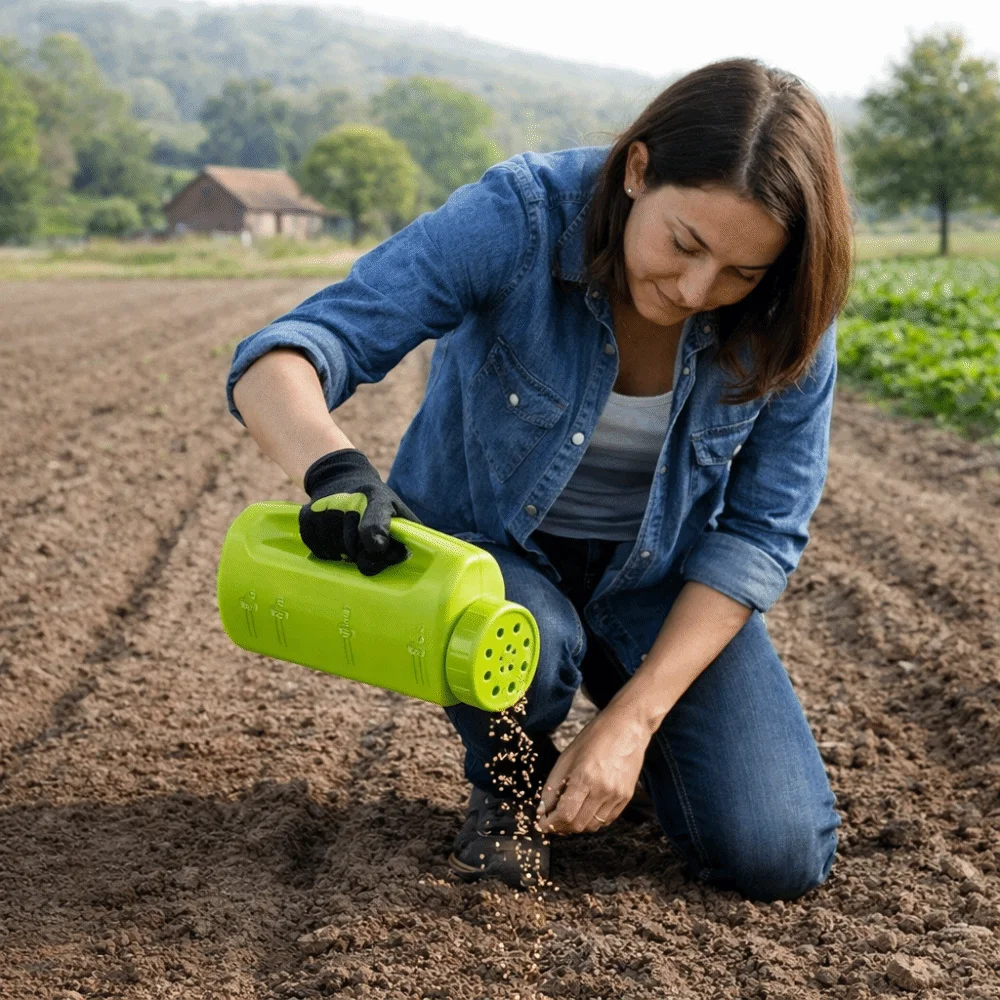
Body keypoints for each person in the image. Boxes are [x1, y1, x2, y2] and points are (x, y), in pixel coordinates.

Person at [226, 58, 854, 902]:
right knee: (532, 642)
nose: (699, 290)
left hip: (655, 580)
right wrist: (335, 470)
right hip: (497, 559)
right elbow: (289, 352)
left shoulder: (790, 313)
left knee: (776, 853)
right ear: (637, 170)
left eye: (742, 273)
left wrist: (634, 721)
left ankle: (622, 755)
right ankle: (511, 782)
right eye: (686, 244)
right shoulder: (520, 216)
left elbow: (759, 533)